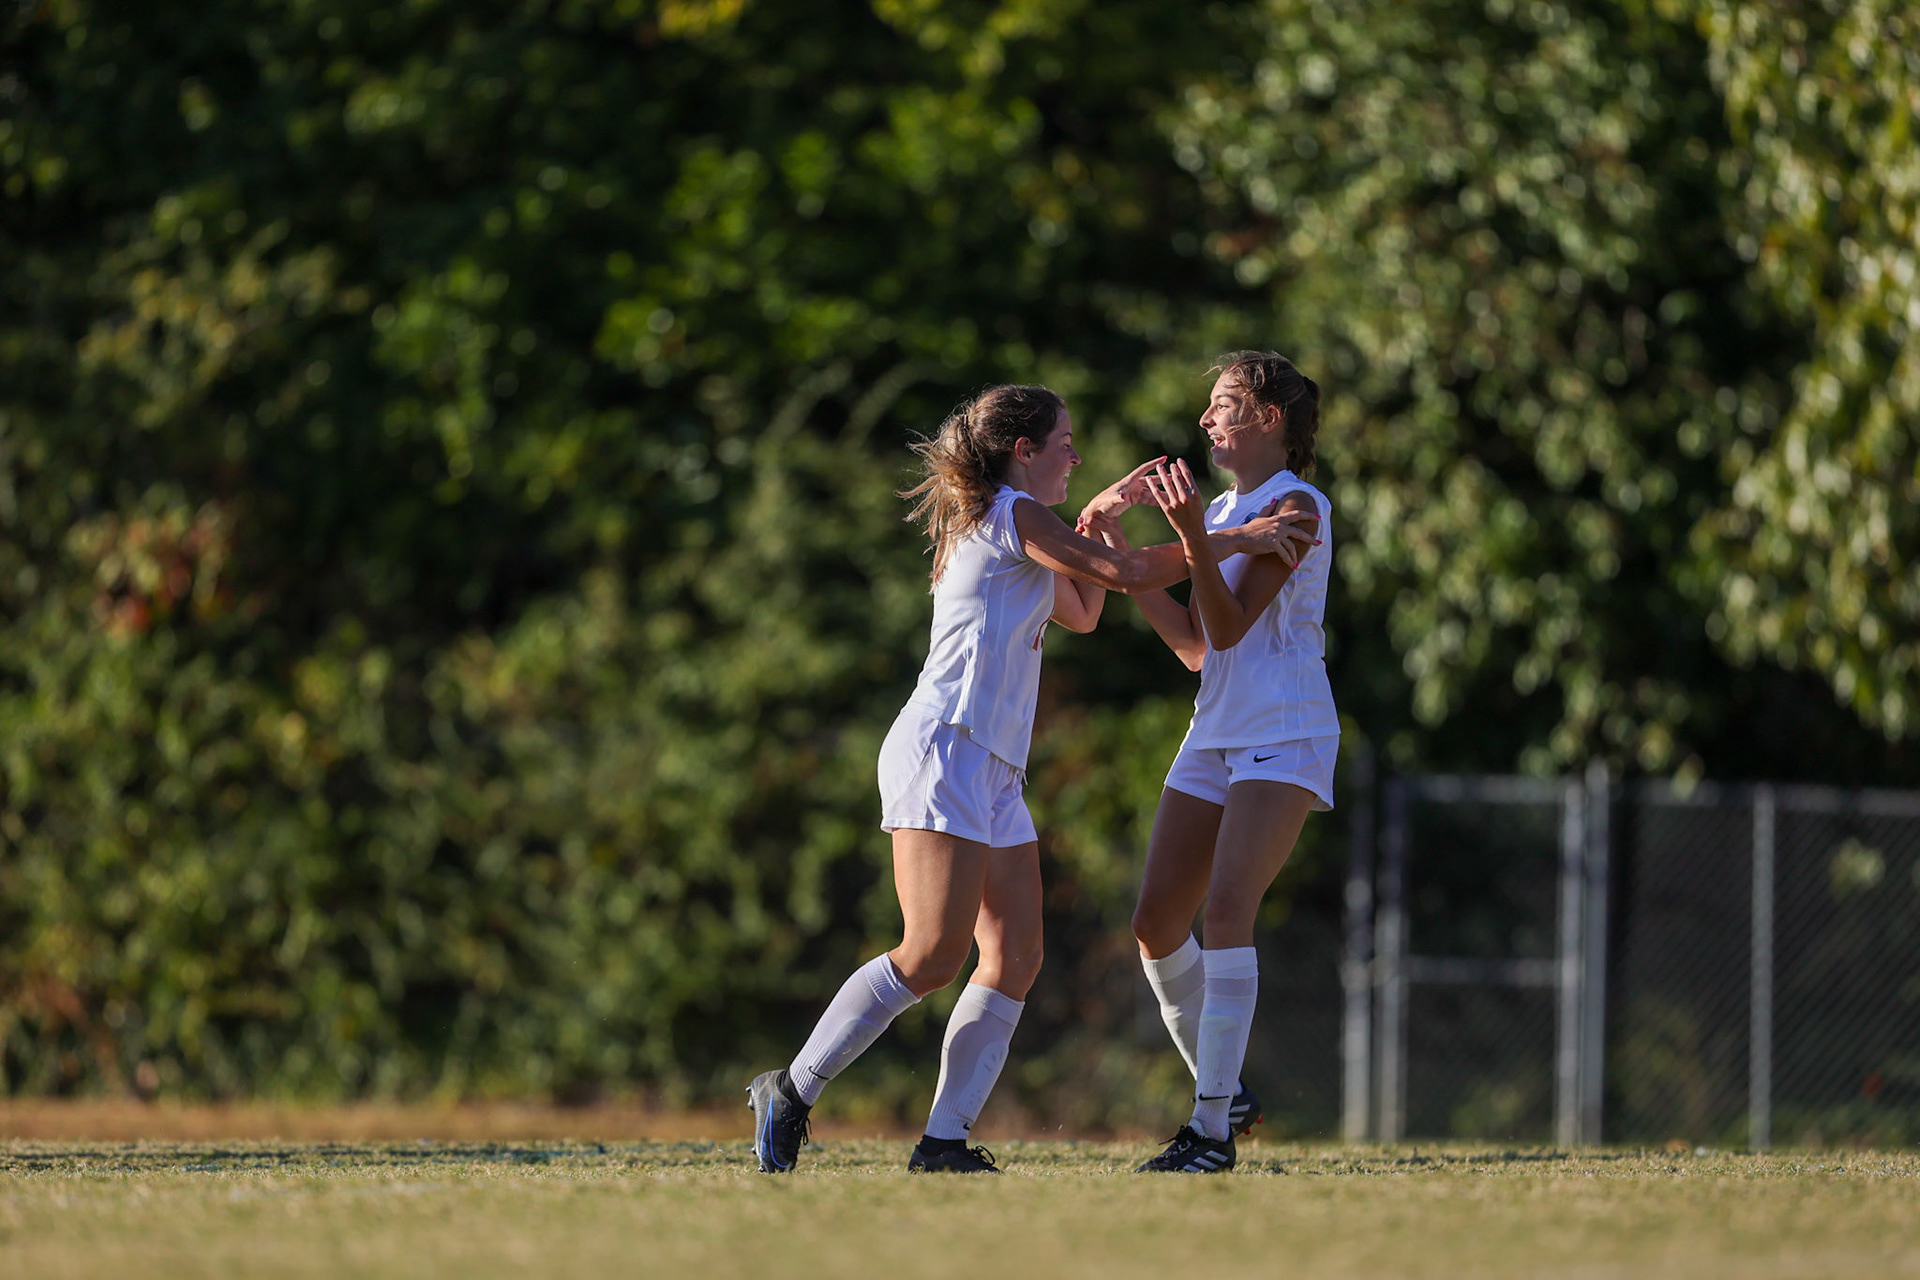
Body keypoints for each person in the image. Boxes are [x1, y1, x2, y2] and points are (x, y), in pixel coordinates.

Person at [747, 383, 1316, 1174]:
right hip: (945, 748)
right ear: (1024, 452)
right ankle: (792, 1088)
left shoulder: (1023, 524)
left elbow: (1084, 607)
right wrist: (1235, 538)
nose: (1076, 459)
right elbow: (1122, 572)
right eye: (1065, 444)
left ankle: (943, 1143)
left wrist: (1098, 516)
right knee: (932, 954)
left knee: (1014, 955)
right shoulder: (1011, 513)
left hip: (993, 766)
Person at [1095, 351, 1335, 1174]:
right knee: (1156, 923)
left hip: (1284, 727)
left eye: (1223, 403)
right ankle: (1224, 1092)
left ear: (1268, 419)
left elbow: (1230, 628)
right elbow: (1200, 648)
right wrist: (1129, 561)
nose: (1206, 419)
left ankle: (1209, 1132)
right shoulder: (1231, 510)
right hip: (1216, 727)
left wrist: (1193, 534)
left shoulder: (1297, 505)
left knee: (1227, 913)